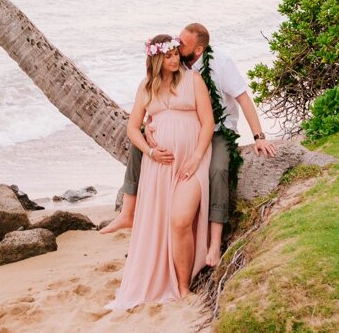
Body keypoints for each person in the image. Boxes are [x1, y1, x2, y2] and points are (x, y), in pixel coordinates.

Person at [99, 20, 279, 275]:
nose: (177, 45)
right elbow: (163, 95)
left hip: (218, 130)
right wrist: (150, 124)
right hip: (188, 131)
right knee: (139, 142)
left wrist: (259, 136)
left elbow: (243, 99)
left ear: (198, 50)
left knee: (217, 170)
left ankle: (215, 242)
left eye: (182, 44)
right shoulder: (178, 63)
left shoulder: (220, 64)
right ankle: (129, 212)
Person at [108, 34, 211, 311]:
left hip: (192, 162)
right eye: (169, 56)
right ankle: (174, 284)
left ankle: (183, 287)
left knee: (179, 221)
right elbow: (133, 128)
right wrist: (150, 151)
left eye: (177, 54)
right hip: (159, 166)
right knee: (163, 222)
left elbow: (208, 122)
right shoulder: (146, 88)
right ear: (156, 59)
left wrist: (197, 157)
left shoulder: (193, 81)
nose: (176, 59)